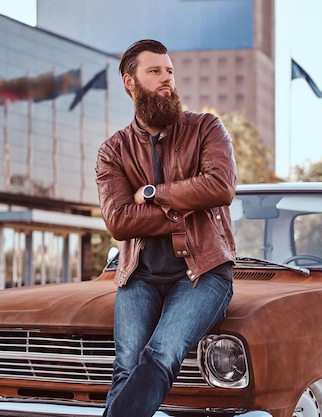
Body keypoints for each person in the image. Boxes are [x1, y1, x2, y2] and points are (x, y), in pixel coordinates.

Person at [95, 39, 237, 417]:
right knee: (126, 366)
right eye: (154, 71)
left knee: (162, 352)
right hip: (138, 275)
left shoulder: (206, 127)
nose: (166, 80)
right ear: (131, 82)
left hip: (203, 273)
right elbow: (119, 221)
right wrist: (185, 207)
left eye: (169, 71)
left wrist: (154, 192)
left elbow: (221, 187)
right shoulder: (113, 151)